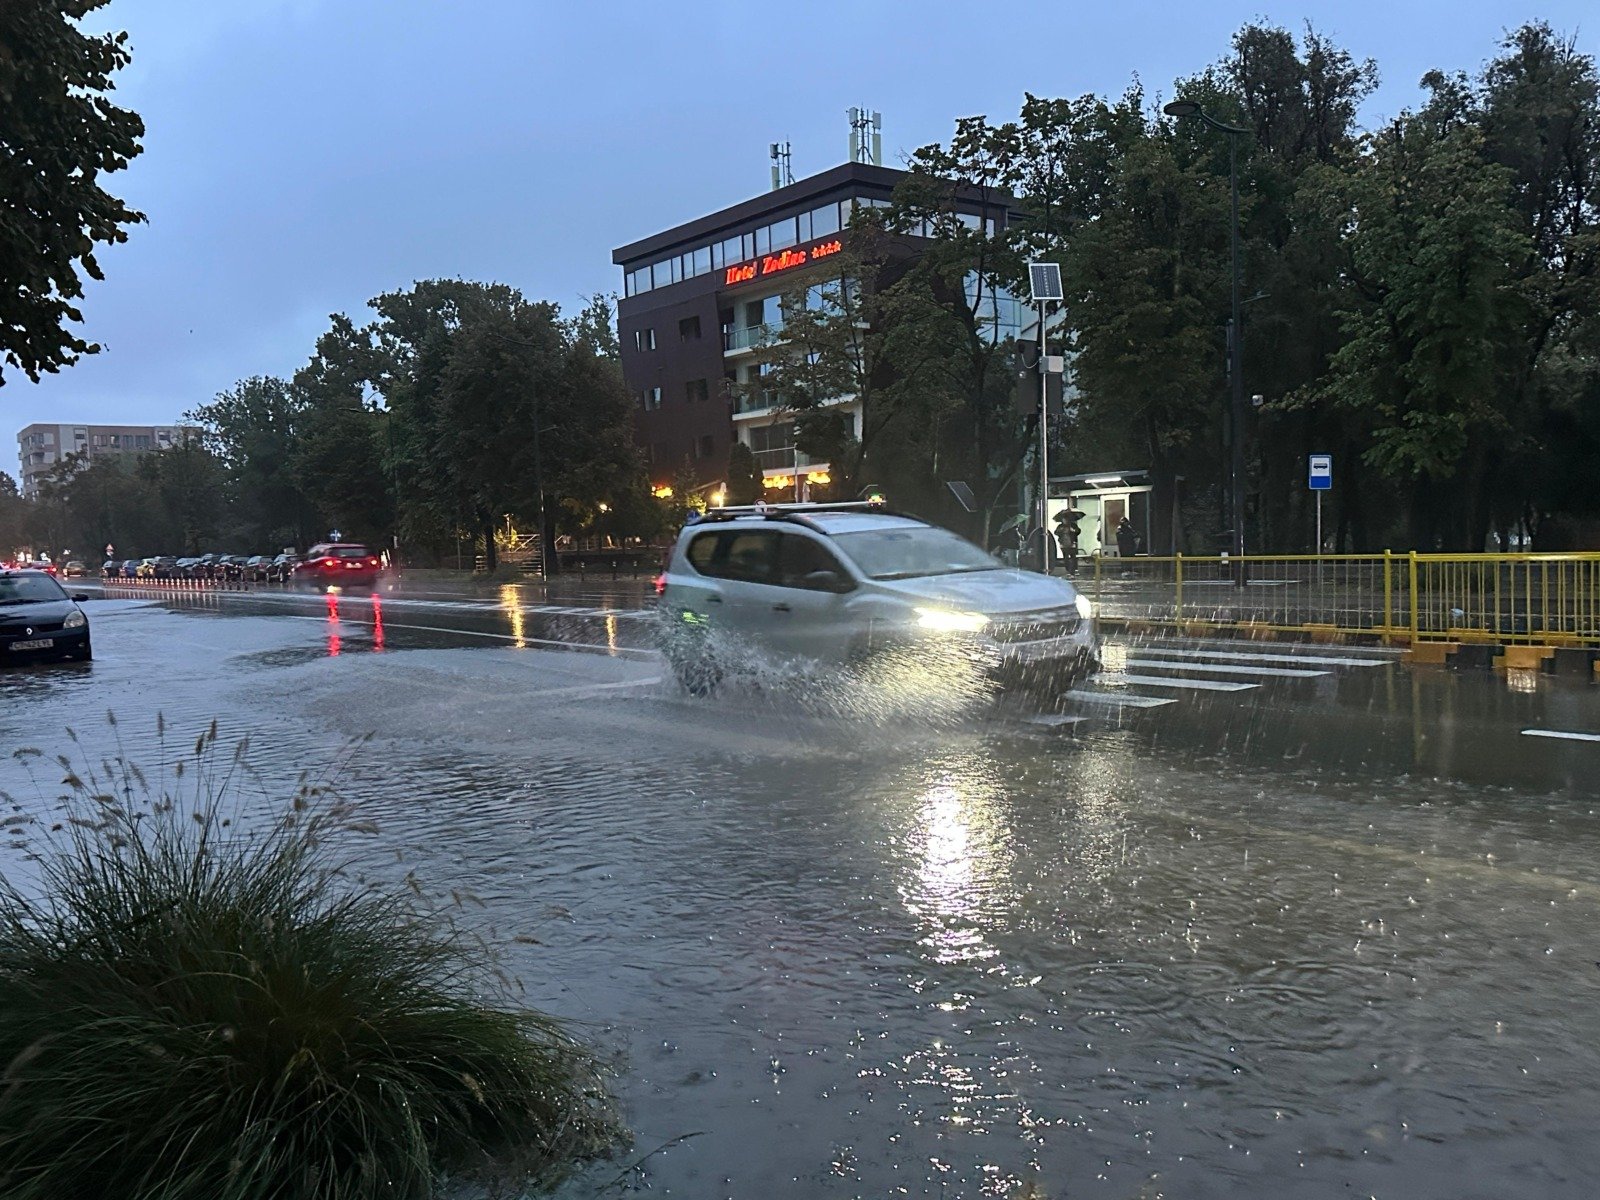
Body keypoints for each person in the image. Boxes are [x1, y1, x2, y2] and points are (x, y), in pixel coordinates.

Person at [1053, 509, 1082, 575]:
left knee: (1073, 557)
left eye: (1065, 519)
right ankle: (1068, 570)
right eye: (1063, 519)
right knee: (1066, 558)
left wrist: (1073, 530)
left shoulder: (1073, 525)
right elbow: (1056, 532)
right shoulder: (1060, 526)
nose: (1064, 521)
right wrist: (1060, 531)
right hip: (1063, 544)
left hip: (1072, 543)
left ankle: (1074, 569)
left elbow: (1078, 531)